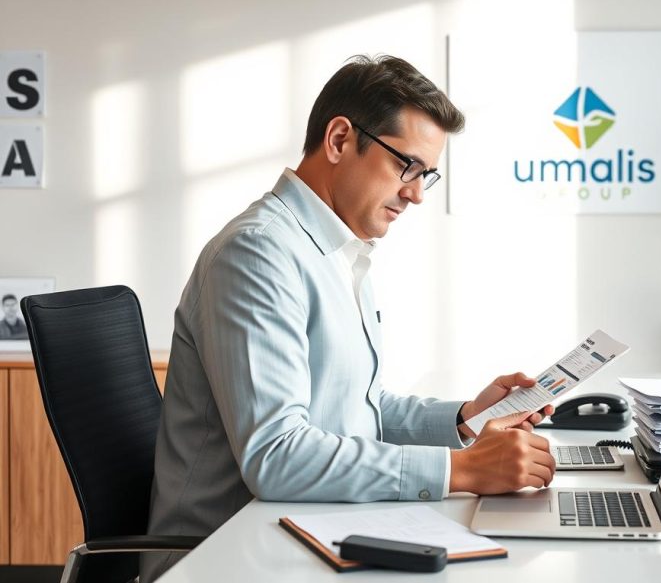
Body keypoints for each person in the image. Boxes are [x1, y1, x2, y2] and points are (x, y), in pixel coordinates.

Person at [142, 55, 556, 581]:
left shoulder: (338, 251)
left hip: (309, 530)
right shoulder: (257, 254)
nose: (417, 194)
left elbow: (361, 407)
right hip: (224, 557)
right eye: (406, 166)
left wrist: (466, 419)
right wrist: (462, 469)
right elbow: (277, 455)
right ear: (339, 140)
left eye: (427, 174)